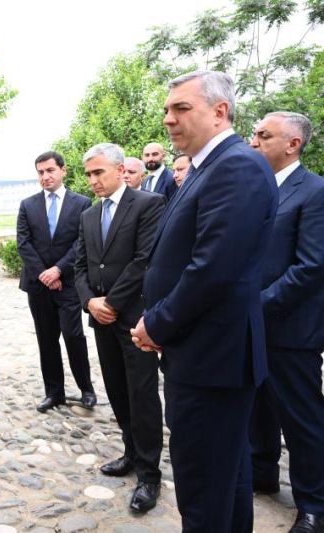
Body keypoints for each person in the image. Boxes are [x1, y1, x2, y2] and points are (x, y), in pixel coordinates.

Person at [130, 70, 277, 531]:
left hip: (213, 357)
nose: (168, 119)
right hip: (202, 352)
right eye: (167, 109)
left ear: (220, 111)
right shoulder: (204, 168)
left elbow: (213, 268)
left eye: (181, 108)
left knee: (203, 488)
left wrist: (157, 323)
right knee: (225, 478)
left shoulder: (236, 166)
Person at [76, 143, 166, 513]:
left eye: (98, 172)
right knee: (116, 388)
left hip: (134, 319)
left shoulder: (148, 204)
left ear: (119, 169)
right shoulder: (88, 215)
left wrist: (111, 303)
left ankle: (149, 474)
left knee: (142, 393)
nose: (93, 180)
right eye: (89, 174)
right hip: (101, 319)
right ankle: (130, 451)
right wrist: (90, 302)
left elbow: (144, 261)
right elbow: (80, 266)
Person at [248, 111, 324, 533]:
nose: (253, 141)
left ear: (293, 144)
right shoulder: (257, 188)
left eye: (264, 135)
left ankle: (313, 504)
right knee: (256, 408)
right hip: (250, 325)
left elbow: (311, 266)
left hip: (291, 329)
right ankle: (262, 473)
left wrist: (255, 305)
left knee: (301, 419)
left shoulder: (314, 192)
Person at [17, 151, 96, 412]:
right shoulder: (27, 205)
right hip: (38, 285)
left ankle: (86, 389)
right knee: (46, 340)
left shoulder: (82, 203)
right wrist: (45, 274)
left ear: (63, 170)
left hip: (69, 283)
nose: (45, 176)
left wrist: (59, 270)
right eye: (40, 172)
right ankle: (54, 393)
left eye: (50, 170)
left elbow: (82, 242)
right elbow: (24, 243)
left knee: (74, 336)